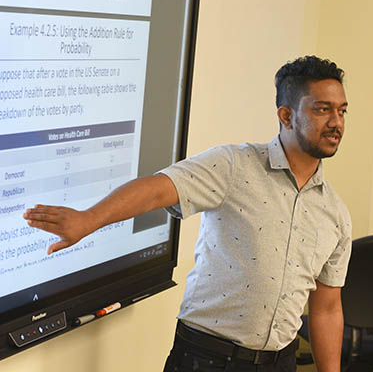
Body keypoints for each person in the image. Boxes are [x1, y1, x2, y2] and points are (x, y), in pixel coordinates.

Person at [24, 55, 352, 372]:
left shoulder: (335, 213)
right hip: (208, 358)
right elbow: (156, 188)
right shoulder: (234, 165)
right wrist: (89, 219)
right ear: (286, 115)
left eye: (341, 111)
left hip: (280, 363)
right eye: (322, 110)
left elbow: (325, 309)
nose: (336, 122)